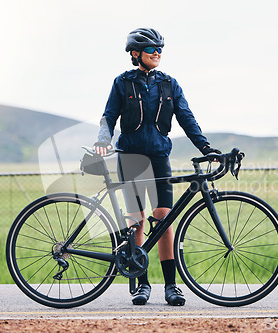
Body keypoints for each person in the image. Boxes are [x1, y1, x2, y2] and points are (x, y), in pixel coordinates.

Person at [93, 27, 220, 306]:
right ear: (136, 54)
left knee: (164, 219)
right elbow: (108, 117)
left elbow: (187, 119)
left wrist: (206, 148)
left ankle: (172, 286)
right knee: (136, 221)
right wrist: (103, 140)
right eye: (152, 49)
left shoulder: (169, 84)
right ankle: (142, 285)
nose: (157, 53)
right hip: (130, 157)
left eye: (160, 49)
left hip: (160, 157)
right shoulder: (122, 83)